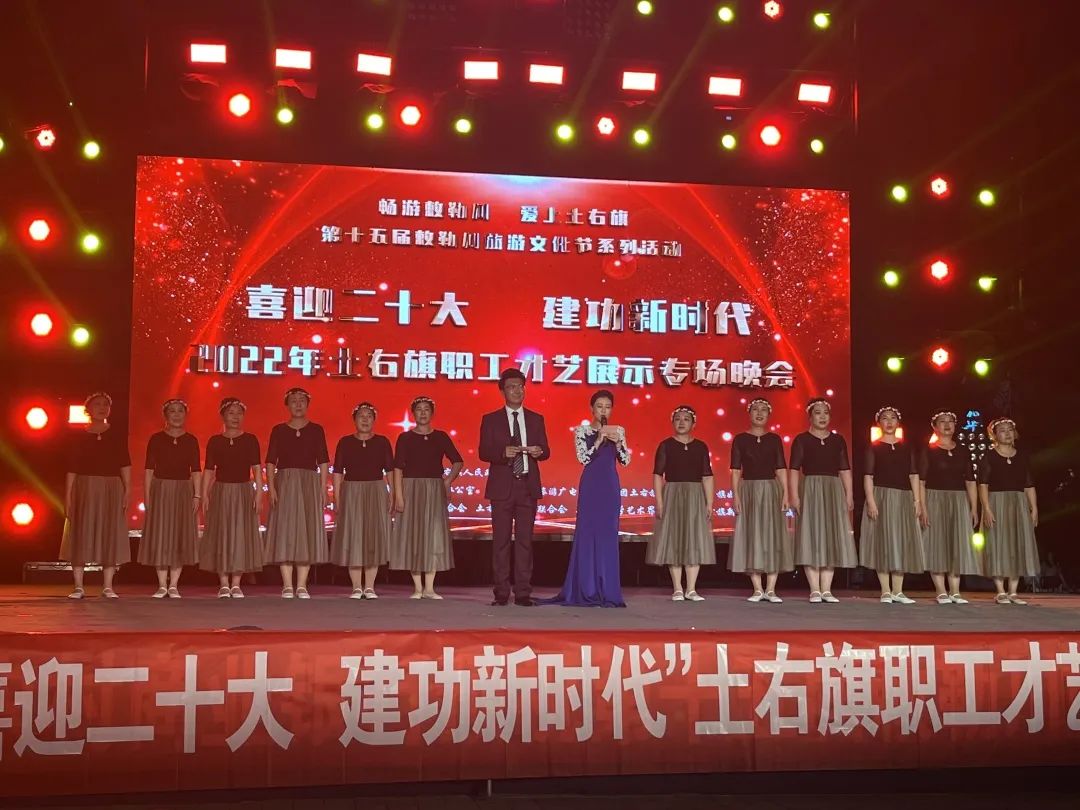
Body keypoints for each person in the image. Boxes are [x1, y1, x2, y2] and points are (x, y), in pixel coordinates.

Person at [543, 390, 629, 607]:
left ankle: (607, 589)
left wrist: (619, 444)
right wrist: (598, 441)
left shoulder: (618, 430)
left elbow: (625, 460)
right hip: (591, 486)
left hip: (610, 486)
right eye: (599, 406)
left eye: (607, 407)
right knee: (588, 534)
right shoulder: (582, 431)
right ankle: (586, 588)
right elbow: (583, 458)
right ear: (592, 409)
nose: (603, 411)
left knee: (607, 535)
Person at [478, 369, 550, 607]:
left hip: (527, 487)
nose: (517, 391)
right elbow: (483, 452)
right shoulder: (490, 419)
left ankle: (522, 592)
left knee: (524, 542)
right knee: (500, 542)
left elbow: (546, 451)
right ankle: (501, 592)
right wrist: (502, 453)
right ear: (503, 391)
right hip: (502, 489)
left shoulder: (536, 419)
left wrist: (539, 451)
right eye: (511, 387)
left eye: (520, 386)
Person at [391, 396, 464, 599]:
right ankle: (417, 588)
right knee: (413, 535)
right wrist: (399, 495)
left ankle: (430, 588)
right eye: (419, 409)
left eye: (426, 409)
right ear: (413, 413)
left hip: (434, 489)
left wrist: (447, 481)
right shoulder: (405, 438)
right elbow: (398, 468)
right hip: (411, 488)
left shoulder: (440, 436)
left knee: (432, 536)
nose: (422, 413)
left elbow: (458, 461)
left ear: (432, 413)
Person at [60, 392, 131, 599]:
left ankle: (108, 586)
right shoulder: (78, 436)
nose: (102, 408)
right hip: (85, 487)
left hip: (111, 487)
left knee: (110, 533)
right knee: (81, 532)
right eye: (97, 404)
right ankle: (78, 586)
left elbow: (125, 464)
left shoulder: (116, 435)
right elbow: (72, 468)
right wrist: (68, 496)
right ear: (88, 409)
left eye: (105, 405)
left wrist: (127, 489)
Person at [790, 397, 856, 603]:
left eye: (826, 413)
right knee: (811, 535)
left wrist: (849, 494)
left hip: (833, 489)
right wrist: (794, 495)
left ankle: (826, 589)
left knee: (831, 536)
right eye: (818, 413)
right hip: (810, 488)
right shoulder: (802, 440)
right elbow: (794, 470)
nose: (822, 417)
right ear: (810, 417)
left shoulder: (838, 440)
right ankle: (814, 589)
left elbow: (844, 469)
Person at [265, 387, 330, 599]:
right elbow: (270, 461)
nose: (298, 404)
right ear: (287, 405)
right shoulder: (278, 430)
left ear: (308, 404)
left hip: (309, 483)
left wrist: (322, 488)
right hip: (285, 482)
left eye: (302, 400)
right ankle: (287, 585)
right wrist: (272, 487)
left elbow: (323, 461)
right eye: (294, 400)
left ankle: (301, 585)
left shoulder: (316, 430)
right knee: (285, 531)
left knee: (306, 532)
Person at [647, 405, 715, 602]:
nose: (681, 422)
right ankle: (677, 588)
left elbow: (707, 476)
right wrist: (659, 501)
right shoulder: (666, 445)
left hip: (695, 496)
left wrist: (709, 502)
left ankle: (691, 589)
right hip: (672, 494)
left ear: (694, 423)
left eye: (686, 419)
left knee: (694, 539)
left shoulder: (701, 446)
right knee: (674, 540)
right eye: (677, 419)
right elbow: (658, 475)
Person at [858, 407, 925, 604]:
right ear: (879, 423)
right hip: (882, 496)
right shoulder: (873, 447)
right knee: (883, 542)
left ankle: (898, 591)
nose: (889, 422)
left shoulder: (907, 447)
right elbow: (868, 476)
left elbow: (914, 475)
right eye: (885, 418)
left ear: (898, 422)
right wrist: (871, 500)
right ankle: (885, 590)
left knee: (901, 542)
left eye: (893, 418)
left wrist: (917, 501)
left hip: (904, 497)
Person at [200, 397, 264, 598]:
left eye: (239, 413)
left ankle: (236, 583)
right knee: (222, 535)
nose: (235, 417)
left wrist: (259, 493)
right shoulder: (215, 441)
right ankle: (223, 583)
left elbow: (257, 468)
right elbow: (208, 470)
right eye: (231, 413)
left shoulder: (250, 440)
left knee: (240, 535)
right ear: (223, 416)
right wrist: (204, 494)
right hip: (221, 491)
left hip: (243, 491)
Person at [729, 397, 792, 603]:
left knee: (773, 536)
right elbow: (735, 470)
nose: (759, 413)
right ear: (749, 413)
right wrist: (736, 495)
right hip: (749, 490)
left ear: (769, 414)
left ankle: (771, 589)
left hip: (771, 490)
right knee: (752, 536)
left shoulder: (774, 439)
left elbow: (781, 468)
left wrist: (785, 493)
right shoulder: (740, 439)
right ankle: (757, 589)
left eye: (763, 409)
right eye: (755, 409)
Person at [139, 399, 201, 598]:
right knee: (161, 535)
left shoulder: (191, 440)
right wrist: (147, 495)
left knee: (179, 535)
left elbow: (196, 470)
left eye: (180, 411)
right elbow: (149, 469)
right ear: (165, 415)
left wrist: (197, 494)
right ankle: (161, 585)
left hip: (183, 490)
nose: (176, 414)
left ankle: (173, 584)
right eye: (172, 411)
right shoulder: (156, 439)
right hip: (161, 489)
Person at [331, 402, 394, 599]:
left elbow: (390, 471)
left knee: (373, 538)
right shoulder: (345, 442)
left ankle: (370, 587)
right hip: (352, 492)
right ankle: (356, 587)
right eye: (361, 416)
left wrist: (393, 494)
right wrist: (337, 497)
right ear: (354, 420)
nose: (365, 420)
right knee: (354, 536)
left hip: (376, 491)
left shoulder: (382, 442)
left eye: (369, 416)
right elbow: (337, 472)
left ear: (374, 420)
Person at [919, 410, 981, 604]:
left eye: (950, 421)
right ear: (934, 426)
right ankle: (941, 591)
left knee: (957, 544)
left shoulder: (963, 450)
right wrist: (923, 507)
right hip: (935, 498)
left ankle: (955, 591)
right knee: (937, 543)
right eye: (942, 421)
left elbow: (970, 481)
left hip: (958, 500)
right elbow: (921, 481)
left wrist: (973, 507)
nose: (947, 425)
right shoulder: (928, 450)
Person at [978, 417, 1039, 605]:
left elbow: (1029, 484)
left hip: (1018, 503)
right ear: (994, 435)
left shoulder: (1022, 456)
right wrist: (986, 508)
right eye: (1002, 430)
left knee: (1017, 544)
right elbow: (983, 484)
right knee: (998, 544)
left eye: (1010, 430)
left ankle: (1013, 591)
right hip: (997, 502)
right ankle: (1000, 591)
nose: (1007, 433)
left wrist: (1034, 508)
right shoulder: (989, 456)